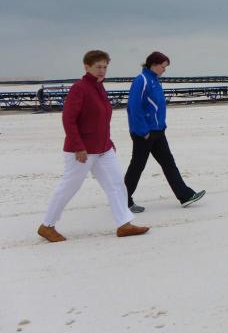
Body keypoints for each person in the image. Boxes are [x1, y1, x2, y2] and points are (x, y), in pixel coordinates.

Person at [37, 50, 149, 242]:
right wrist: (78, 147)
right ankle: (47, 225)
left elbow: (101, 119)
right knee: (69, 187)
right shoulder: (79, 88)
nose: (102, 70)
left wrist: (109, 142)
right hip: (82, 150)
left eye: (105, 67)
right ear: (86, 66)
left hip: (103, 149)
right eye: (98, 67)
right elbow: (69, 119)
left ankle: (124, 224)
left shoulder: (99, 87)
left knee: (116, 184)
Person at [124, 52, 205, 212]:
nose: (164, 70)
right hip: (144, 133)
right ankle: (123, 201)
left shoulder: (155, 80)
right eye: (163, 66)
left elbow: (157, 107)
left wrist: (161, 126)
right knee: (137, 166)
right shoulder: (142, 80)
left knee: (169, 164)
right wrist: (143, 131)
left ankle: (185, 196)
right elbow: (133, 107)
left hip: (158, 131)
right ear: (153, 65)